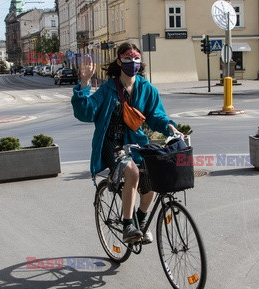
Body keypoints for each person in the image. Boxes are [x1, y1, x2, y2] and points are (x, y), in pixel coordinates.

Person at [71, 42, 184, 244]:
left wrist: (170, 127)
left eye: (136, 59)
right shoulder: (108, 89)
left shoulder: (146, 89)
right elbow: (85, 112)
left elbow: (156, 115)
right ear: (119, 61)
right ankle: (127, 225)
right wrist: (84, 83)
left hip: (136, 144)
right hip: (111, 144)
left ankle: (140, 219)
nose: (132, 62)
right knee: (131, 172)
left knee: (152, 178)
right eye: (127, 58)